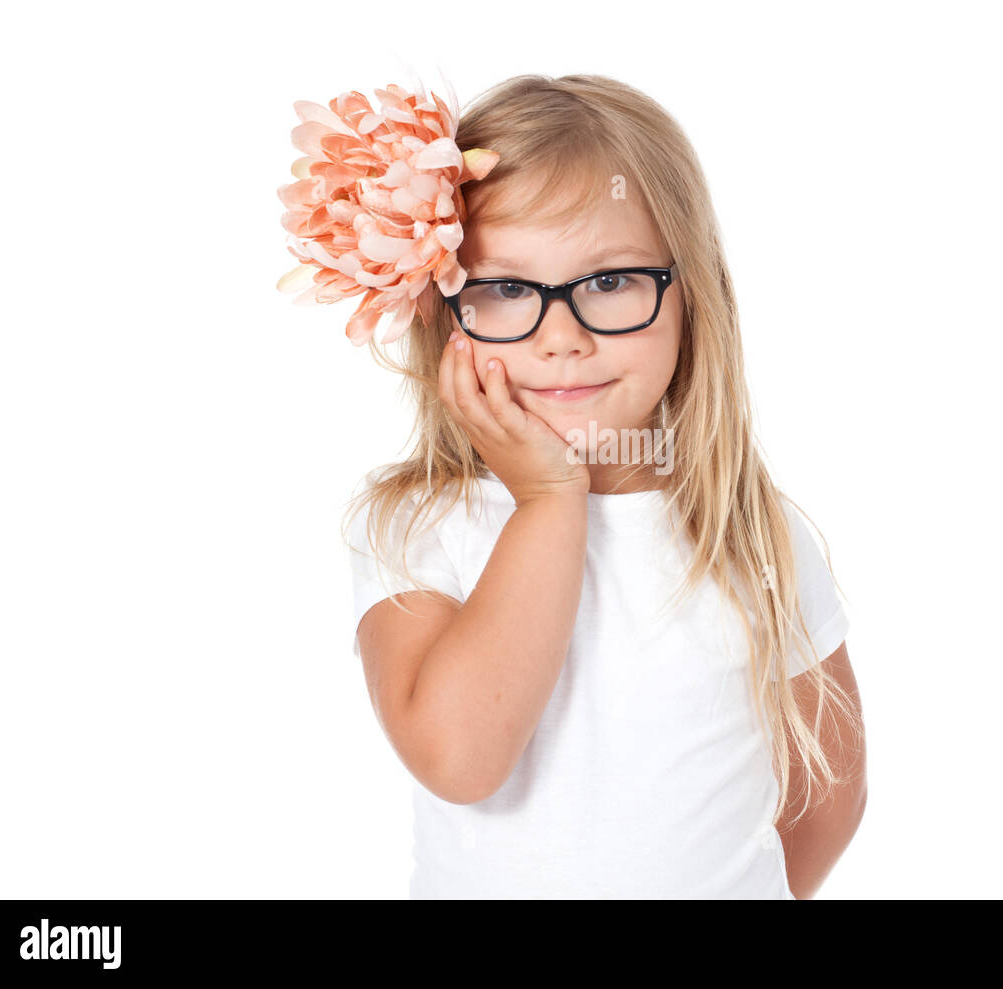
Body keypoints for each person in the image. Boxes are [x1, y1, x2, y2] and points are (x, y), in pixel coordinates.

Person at [337, 74, 867, 899]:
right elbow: (460, 757)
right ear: (447, 313)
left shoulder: (749, 529)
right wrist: (551, 499)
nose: (561, 337)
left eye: (611, 281)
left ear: (689, 294)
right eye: (507, 289)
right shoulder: (418, 526)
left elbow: (826, 793)